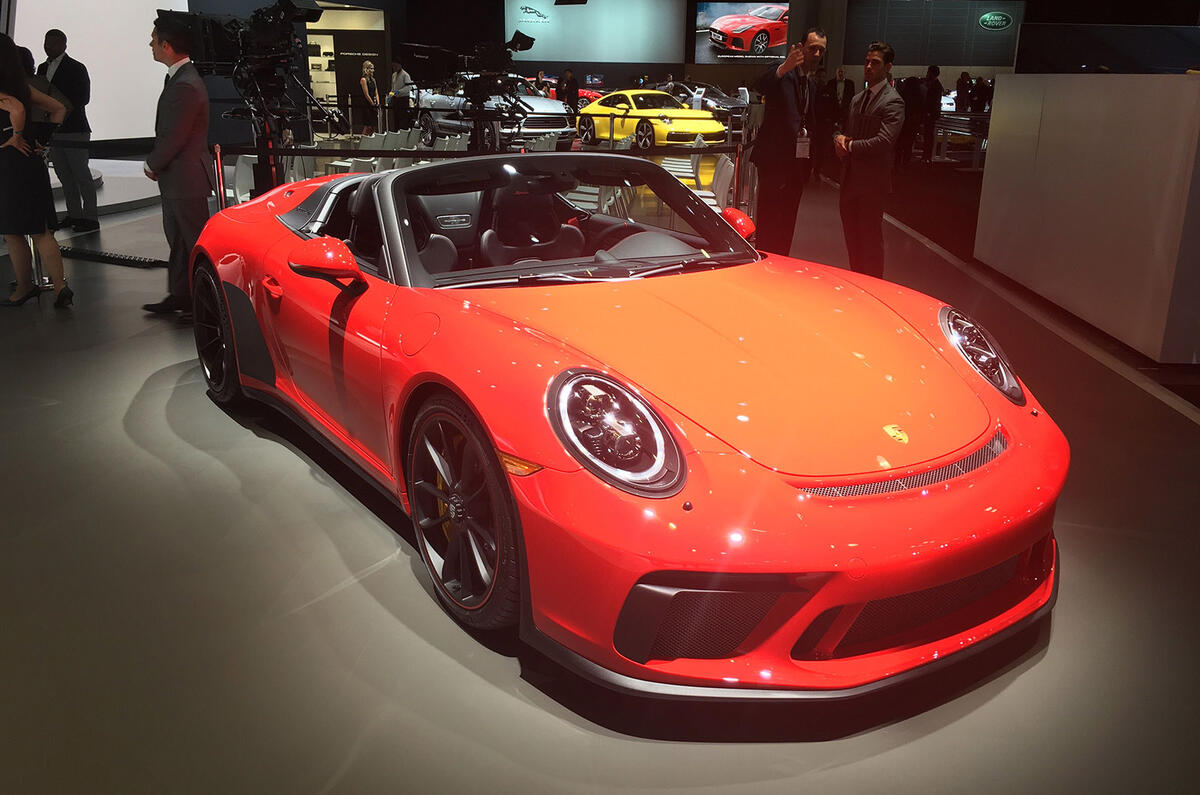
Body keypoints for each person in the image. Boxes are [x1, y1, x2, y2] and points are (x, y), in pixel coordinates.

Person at [141, 14, 214, 318]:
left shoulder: (184, 83)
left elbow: (175, 135)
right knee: (181, 242)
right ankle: (182, 295)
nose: (150, 44)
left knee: (194, 241)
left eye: (154, 39)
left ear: (167, 45)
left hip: (185, 178)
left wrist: (152, 164)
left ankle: (208, 302)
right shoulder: (181, 78)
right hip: (180, 178)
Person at [0, 33, 72, 308]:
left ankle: (25, 287)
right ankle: (60, 286)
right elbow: (58, 108)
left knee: (12, 230)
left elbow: (16, 110)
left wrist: (15, 135)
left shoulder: (9, 94)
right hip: (30, 160)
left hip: (9, 163)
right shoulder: (22, 86)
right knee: (40, 230)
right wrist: (40, 140)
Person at [749, 27, 828, 256]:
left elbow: (809, 122)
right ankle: (765, 265)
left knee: (788, 222)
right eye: (812, 48)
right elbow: (761, 84)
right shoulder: (783, 73)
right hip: (774, 163)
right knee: (769, 220)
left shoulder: (811, 85)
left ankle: (782, 263)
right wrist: (784, 68)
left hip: (796, 166)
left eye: (820, 51)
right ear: (800, 48)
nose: (816, 54)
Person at [833, 41, 903, 279]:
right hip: (850, 180)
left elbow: (884, 141)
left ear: (888, 67)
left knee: (870, 242)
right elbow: (844, 128)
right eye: (867, 62)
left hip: (872, 184)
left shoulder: (893, 101)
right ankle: (858, 286)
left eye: (875, 63)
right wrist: (838, 139)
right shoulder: (857, 99)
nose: (869, 67)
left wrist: (849, 145)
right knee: (852, 240)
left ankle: (874, 292)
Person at [37, 29, 96, 232]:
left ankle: (90, 217)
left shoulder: (77, 68)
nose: (47, 46)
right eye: (46, 42)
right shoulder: (42, 68)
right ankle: (74, 215)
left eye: (52, 43)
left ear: (64, 44)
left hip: (74, 129)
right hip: (53, 131)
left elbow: (83, 98)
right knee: (64, 176)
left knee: (82, 175)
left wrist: (60, 108)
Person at [893, 75, 922, 172]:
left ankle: (896, 164)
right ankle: (905, 164)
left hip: (903, 122)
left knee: (899, 145)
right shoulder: (919, 95)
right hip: (913, 123)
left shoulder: (903, 94)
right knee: (908, 145)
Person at [920, 65, 942, 163]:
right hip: (930, 113)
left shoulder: (934, 86)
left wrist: (929, 112)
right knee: (928, 135)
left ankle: (927, 155)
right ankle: (926, 155)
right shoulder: (935, 85)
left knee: (928, 135)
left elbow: (933, 101)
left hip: (930, 114)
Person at [388, 58, 412, 130]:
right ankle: (397, 134)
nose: (394, 67)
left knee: (403, 119)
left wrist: (398, 92)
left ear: (399, 65)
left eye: (395, 66)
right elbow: (393, 87)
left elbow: (409, 87)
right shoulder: (393, 75)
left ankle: (403, 135)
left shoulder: (405, 75)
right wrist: (390, 96)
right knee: (396, 118)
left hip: (403, 99)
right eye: (393, 66)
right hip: (396, 100)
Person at [358, 60, 379, 135]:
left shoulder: (373, 80)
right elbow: (366, 94)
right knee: (367, 126)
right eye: (371, 68)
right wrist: (372, 103)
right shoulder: (363, 79)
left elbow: (376, 92)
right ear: (366, 69)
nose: (373, 70)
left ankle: (370, 141)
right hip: (366, 104)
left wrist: (377, 103)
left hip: (373, 104)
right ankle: (363, 142)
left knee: (373, 125)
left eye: (373, 68)